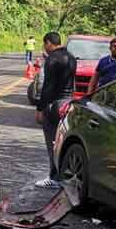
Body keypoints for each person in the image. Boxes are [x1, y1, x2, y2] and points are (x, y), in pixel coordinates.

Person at [35, 32, 77, 189]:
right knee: (62, 141)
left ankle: (54, 177)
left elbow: (48, 86)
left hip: (54, 104)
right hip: (68, 103)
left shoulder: (52, 58)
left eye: (44, 44)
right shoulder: (71, 57)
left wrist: (40, 108)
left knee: (51, 141)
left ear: (48, 43)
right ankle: (66, 176)